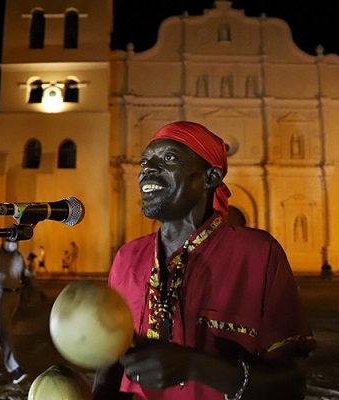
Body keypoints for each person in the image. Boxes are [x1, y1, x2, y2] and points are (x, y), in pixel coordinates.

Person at [92, 121, 316, 400]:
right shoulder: (127, 258)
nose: (147, 169)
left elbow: (292, 384)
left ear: (210, 177)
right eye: (144, 161)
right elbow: (110, 365)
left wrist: (194, 366)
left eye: (168, 158)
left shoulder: (258, 254)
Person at [0, 238, 45, 385]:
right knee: (5, 332)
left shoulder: (18, 257)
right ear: (4, 240)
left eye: (15, 240)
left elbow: (26, 276)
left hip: (14, 296)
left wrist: (37, 290)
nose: (13, 243)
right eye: (10, 240)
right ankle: (14, 368)